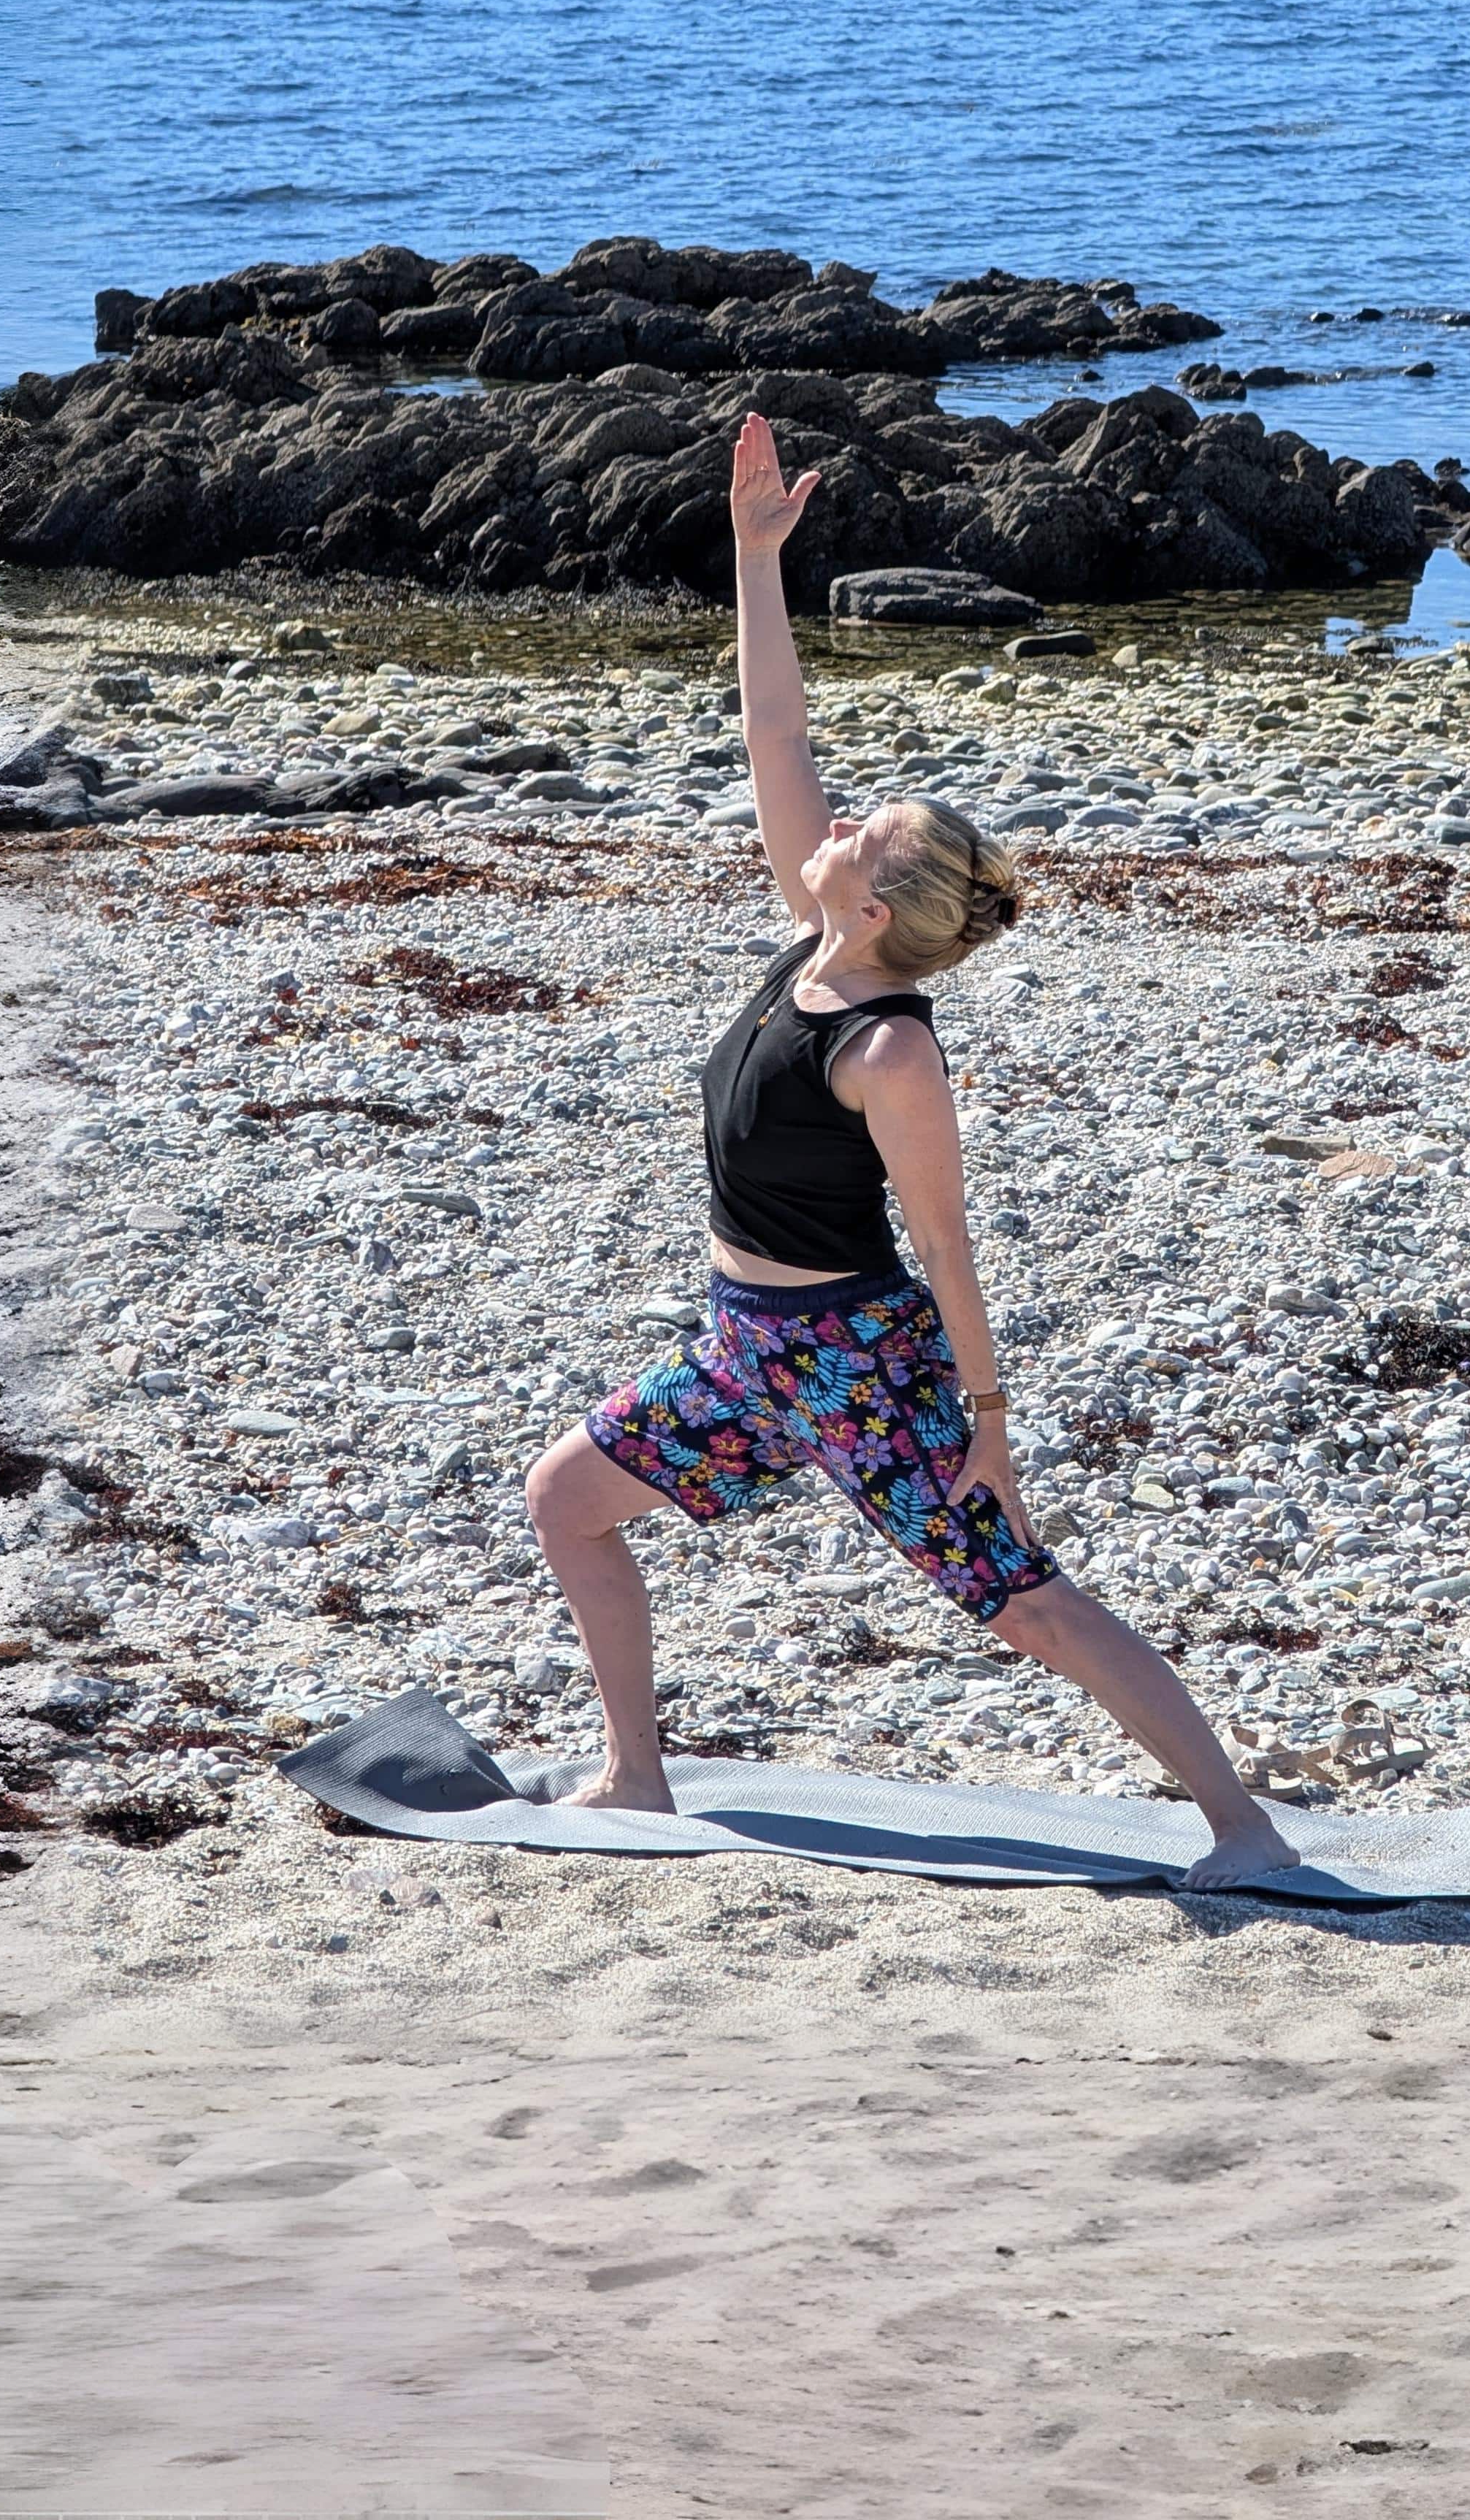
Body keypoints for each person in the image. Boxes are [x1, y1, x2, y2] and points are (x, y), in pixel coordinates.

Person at [519, 413, 1304, 1891]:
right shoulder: (817, 941)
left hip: (857, 1364)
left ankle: (1243, 1829)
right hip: (744, 1350)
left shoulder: (890, 1050)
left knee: (1022, 1601)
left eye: (861, 829)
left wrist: (988, 1427)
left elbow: (943, 1247)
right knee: (566, 1500)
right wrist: (758, 557)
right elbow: (775, 732)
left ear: (874, 905)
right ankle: (635, 1775)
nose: (833, 821)